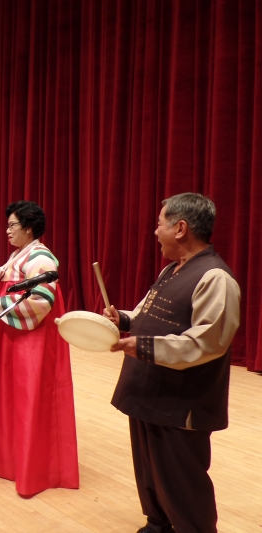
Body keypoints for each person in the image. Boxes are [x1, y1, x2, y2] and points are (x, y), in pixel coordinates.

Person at [103, 193, 240, 533]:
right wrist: (122, 319)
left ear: (180, 229)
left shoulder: (216, 278)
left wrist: (143, 346)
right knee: (151, 472)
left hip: (181, 401)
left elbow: (207, 343)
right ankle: (158, 525)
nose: (155, 231)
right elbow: (145, 314)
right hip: (147, 389)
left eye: (159, 224)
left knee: (182, 482)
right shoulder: (171, 270)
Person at [0, 201, 79, 497]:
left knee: (27, 394)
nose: (7, 231)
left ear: (29, 227)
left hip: (28, 338)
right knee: (1, 394)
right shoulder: (16, 256)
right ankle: (2, 459)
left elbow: (41, 301)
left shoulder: (41, 257)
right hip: (4, 331)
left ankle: (30, 467)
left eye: (12, 225)